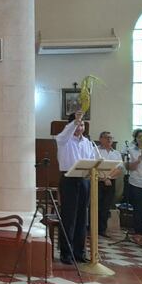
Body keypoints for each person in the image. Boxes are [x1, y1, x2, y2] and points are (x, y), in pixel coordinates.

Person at [55, 110, 96, 264]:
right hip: (69, 179)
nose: (80, 127)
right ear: (71, 125)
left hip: (84, 180)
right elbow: (66, 133)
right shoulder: (63, 140)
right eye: (78, 124)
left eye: (82, 125)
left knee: (82, 217)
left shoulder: (87, 142)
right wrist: (75, 121)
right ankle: (66, 252)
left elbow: (92, 160)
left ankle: (79, 252)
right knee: (69, 217)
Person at [96, 131, 123, 237]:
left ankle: (102, 229)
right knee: (96, 205)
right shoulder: (95, 150)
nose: (109, 139)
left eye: (111, 137)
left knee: (106, 206)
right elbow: (93, 167)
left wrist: (109, 177)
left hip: (111, 182)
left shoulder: (116, 153)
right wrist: (103, 178)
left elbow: (119, 169)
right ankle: (92, 228)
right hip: (97, 181)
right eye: (106, 137)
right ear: (100, 139)